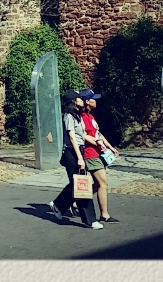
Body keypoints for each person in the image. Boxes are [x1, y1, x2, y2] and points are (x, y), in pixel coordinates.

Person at [49, 89, 103, 229]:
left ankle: (58, 205)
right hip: (72, 152)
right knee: (81, 184)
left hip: (79, 150)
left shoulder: (77, 115)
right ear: (73, 101)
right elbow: (72, 138)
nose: (81, 99)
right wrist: (79, 157)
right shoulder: (68, 116)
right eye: (78, 98)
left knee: (77, 183)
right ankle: (90, 220)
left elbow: (82, 135)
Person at [79, 89, 120, 224]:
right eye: (93, 99)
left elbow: (98, 134)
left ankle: (75, 200)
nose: (96, 101)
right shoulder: (83, 117)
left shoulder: (91, 117)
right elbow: (84, 135)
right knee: (103, 183)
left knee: (98, 184)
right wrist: (97, 143)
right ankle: (104, 214)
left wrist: (110, 147)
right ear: (87, 101)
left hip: (98, 153)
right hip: (90, 154)